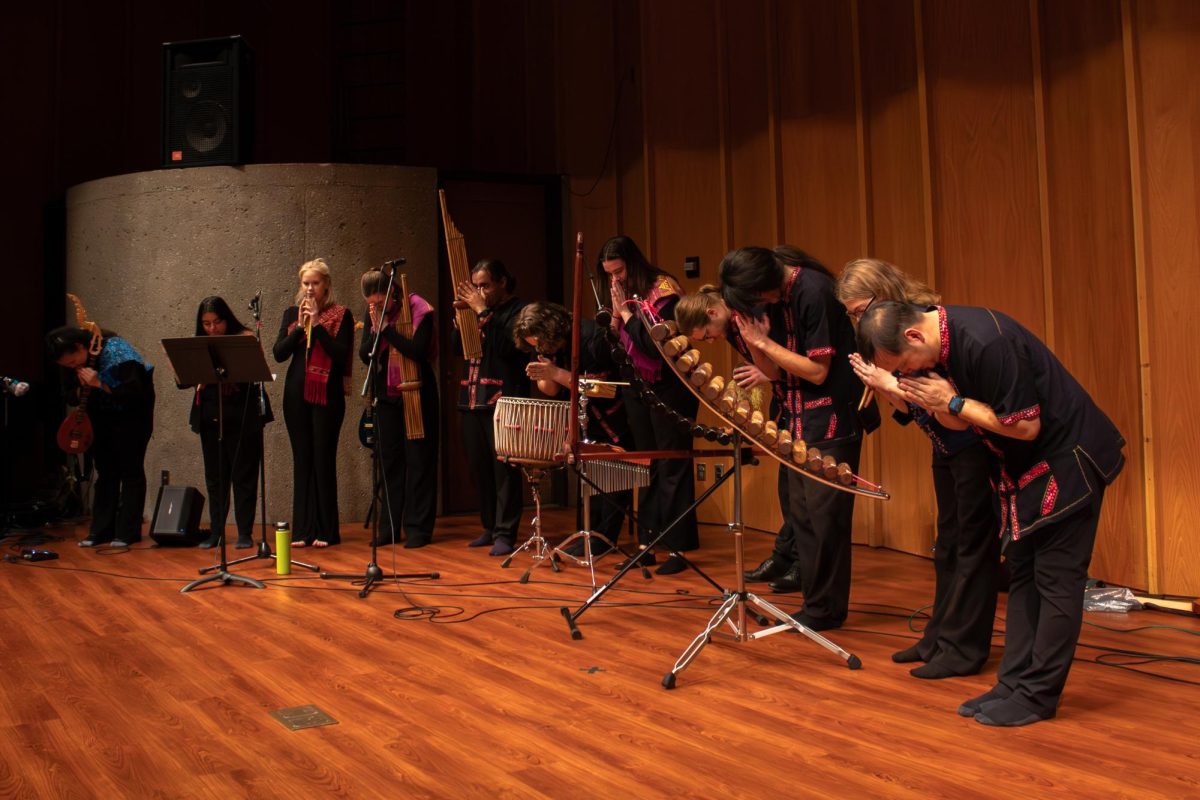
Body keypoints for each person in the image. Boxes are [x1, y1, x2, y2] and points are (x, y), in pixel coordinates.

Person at [856, 301, 1125, 726]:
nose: (905, 374)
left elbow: (1025, 426)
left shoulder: (985, 339)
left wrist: (954, 401)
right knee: (1022, 573)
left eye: (902, 366)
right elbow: (957, 426)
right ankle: (1013, 682)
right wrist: (934, 402)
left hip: (1068, 460)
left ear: (913, 336)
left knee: (1056, 581)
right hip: (1024, 467)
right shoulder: (936, 348)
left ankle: (1037, 695)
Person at [836, 259, 999, 678]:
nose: (857, 320)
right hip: (945, 446)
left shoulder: (923, 329)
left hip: (974, 446)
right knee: (947, 544)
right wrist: (886, 388)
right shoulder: (889, 340)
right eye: (851, 314)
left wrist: (891, 385)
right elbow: (912, 412)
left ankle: (964, 649)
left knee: (972, 547)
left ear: (884, 294)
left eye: (859, 310)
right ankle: (939, 636)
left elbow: (949, 404)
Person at [719, 245, 865, 630]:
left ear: (765, 284)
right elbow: (774, 372)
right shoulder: (767, 298)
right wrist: (753, 342)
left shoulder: (813, 290)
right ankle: (815, 606)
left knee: (826, 520)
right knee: (801, 515)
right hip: (794, 421)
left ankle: (827, 610)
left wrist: (764, 343)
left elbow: (817, 372)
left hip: (830, 419)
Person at [675, 286, 796, 591]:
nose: (711, 340)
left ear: (713, 313)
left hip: (806, 399)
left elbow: (794, 354)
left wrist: (769, 373)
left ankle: (801, 565)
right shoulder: (731, 327)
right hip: (787, 403)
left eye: (706, 334)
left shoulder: (751, 315)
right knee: (789, 491)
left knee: (801, 494)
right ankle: (786, 556)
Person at [597, 235, 698, 575]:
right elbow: (619, 342)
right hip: (636, 383)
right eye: (609, 274)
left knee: (673, 465)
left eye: (619, 271)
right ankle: (647, 545)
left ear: (633, 264)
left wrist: (626, 313)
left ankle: (678, 548)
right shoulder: (623, 295)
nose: (615, 280)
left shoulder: (663, 290)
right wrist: (615, 317)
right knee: (648, 465)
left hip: (671, 385)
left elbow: (655, 347)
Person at [512, 301, 631, 555]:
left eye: (540, 344)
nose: (540, 349)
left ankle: (604, 539)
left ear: (551, 331)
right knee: (589, 478)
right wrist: (546, 372)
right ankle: (589, 533)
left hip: (616, 415)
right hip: (585, 416)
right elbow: (552, 389)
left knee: (612, 479)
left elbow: (605, 389)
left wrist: (554, 372)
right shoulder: (553, 344)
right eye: (535, 347)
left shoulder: (591, 337)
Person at [47, 324, 155, 548]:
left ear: (79, 346)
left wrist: (99, 383)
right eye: (66, 365)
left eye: (72, 361)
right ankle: (101, 530)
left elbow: (136, 391)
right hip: (99, 420)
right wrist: (81, 388)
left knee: (130, 470)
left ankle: (127, 532)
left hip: (131, 418)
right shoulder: (70, 364)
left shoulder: (116, 349)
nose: (71, 366)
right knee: (106, 472)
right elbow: (68, 395)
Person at [272, 258, 353, 548]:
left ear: (326, 285)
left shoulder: (341, 315)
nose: (310, 288)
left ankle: (326, 530)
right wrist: (299, 328)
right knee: (302, 459)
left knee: (322, 458)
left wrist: (318, 326)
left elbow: (341, 354)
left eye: (315, 283)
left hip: (327, 395)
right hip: (295, 394)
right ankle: (303, 530)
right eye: (305, 283)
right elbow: (279, 353)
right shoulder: (291, 314)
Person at [453, 258, 529, 556]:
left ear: (502, 283)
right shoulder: (476, 312)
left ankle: (505, 533)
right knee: (479, 468)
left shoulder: (518, 311)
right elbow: (458, 350)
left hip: (503, 399)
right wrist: (459, 325)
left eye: (485, 286)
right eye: (477, 287)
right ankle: (489, 524)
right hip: (472, 397)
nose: (480, 292)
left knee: (504, 470)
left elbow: (508, 348)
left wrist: (482, 311)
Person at [360, 268, 439, 549]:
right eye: (371, 303)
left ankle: (418, 529)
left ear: (393, 292)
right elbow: (364, 355)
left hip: (417, 389)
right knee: (390, 462)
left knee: (419, 461)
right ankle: (389, 528)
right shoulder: (372, 313)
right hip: (387, 392)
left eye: (381, 303)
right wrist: (375, 329)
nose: (376, 308)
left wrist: (387, 330)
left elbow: (417, 350)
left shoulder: (419, 307)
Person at [189, 296, 274, 550]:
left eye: (216, 322)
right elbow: (184, 380)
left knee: (244, 476)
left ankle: (245, 532)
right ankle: (216, 532)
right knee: (215, 477)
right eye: (206, 324)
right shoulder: (197, 344)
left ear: (227, 319)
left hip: (243, 414)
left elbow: (254, 373)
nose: (212, 329)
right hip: (210, 415)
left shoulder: (243, 338)